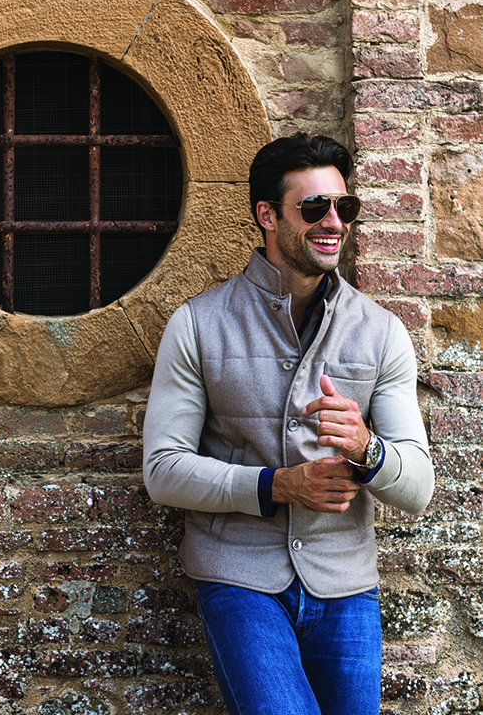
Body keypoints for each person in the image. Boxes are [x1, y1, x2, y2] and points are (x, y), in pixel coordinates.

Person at [142, 132, 434, 715]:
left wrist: (367, 448)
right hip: (239, 577)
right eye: (313, 207)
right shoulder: (198, 324)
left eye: (342, 207)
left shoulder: (381, 332)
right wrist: (276, 486)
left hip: (345, 582)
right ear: (267, 215)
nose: (333, 222)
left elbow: (419, 487)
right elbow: (163, 472)